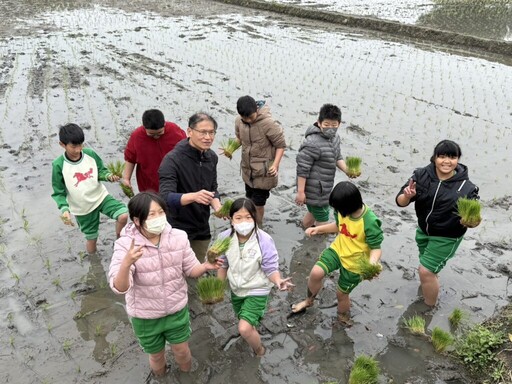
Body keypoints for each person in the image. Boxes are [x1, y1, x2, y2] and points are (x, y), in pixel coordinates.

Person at [108, 192, 222, 377]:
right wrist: (127, 263)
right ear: (137, 220)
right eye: (152, 215)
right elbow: (120, 287)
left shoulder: (178, 237)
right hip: (145, 317)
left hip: (176, 309)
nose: (158, 218)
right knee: (157, 357)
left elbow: (191, 270)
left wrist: (206, 266)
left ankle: (186, 378)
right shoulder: (125, 246)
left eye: (161, 212)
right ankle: (161, 379)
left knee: (183, 351)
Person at [396, 139, 480, 308]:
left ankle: (428, 308)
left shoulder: (467, 187)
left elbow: (475, 219)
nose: (447, 161)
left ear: (458, 159)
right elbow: (400, 202)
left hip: (447, 237)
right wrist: (408, 196)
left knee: (426, 270)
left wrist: (470, 222)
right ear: (434, 158)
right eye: (442, 157)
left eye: (452, 157)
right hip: (424, 231)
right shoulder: (421, 175)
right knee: (427, 268)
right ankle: (429, 284)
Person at [291, 181, 383, 325]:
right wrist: (318, 229)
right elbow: (340, 226)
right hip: (338, 250)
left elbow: (376, 247)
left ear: (350, 206)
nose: (337, 212)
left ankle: (343, 317)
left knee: (341, 294)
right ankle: (309, 301)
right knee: (316, 273)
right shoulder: (342, 210)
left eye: (339, 209)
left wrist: (372, 263)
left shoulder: (369, 221)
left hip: (355, 263)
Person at [216, 198, 293, 356]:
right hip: (237, 289)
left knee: (243, 328)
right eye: (238, 218)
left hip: (257, 289)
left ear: (255, 218)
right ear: (231, 220)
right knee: (243, 320)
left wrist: (278, 280)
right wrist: (217, 288)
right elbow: (223, 264)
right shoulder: (224, 238)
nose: (243, 221)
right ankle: (252, 331)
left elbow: (270, 267)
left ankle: (259, 351)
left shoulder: (263, 240)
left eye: (248, 217)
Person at [51, 123, 128, 254]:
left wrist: (109, 176)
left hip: (101, 197)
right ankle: (94, 263)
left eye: (81, 145)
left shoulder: (90, 154)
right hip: (82, 208)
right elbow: (58, 192)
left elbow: (101, 171)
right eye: (73, 146)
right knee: (92, 238)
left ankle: (119, 243)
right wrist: (64, 208)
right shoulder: (59, 165)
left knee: (123, 215)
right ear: (62, 145)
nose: (78, 150)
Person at [158, 112, 222, 262]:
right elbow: (165, 197)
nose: (208, 137)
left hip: (201, 226)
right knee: (175, 270)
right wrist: (194, 196)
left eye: (211, 132)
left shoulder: (211, 157)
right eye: (203, 132)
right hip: (176, 227)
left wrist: (217, 206)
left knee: (198, 268)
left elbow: (213, 188)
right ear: (189, 131)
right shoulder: (172, 160)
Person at [295, 103, 356, 229]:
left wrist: (347, 171)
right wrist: (301, 192)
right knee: (322, 220)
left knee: (313, 213)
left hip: (324, 188)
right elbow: (302, 168)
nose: (330, 128)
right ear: (319, 122)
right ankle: (316, 246)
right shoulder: (312, 143)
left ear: (339, 124)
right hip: (315, 191)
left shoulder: (335, 138)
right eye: (326, 125)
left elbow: (337, 157)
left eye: (334, 125)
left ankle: (303, 229)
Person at [235, 96, 286, 226]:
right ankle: (249, 221)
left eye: (251, 117)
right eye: (245, 118)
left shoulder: (268, 124)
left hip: (264, 171)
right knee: (249, 198)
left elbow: (281, 145)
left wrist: (275, 165)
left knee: (258, 203)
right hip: (248, 169)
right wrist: (230, 149)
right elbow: (240, 139)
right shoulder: (239, 121)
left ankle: (258, 226)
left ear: (256, 109)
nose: (248, 121)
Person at [122, 109, 186, 193]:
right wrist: (126, 179)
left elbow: (187, 151)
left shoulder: (175, 131)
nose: (156, 137)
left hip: (175, 181)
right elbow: (130, 159)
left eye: (159, 133)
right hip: (149, 184)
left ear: (164, 124)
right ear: (144, 127)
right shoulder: (137, 136)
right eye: (151, 134)